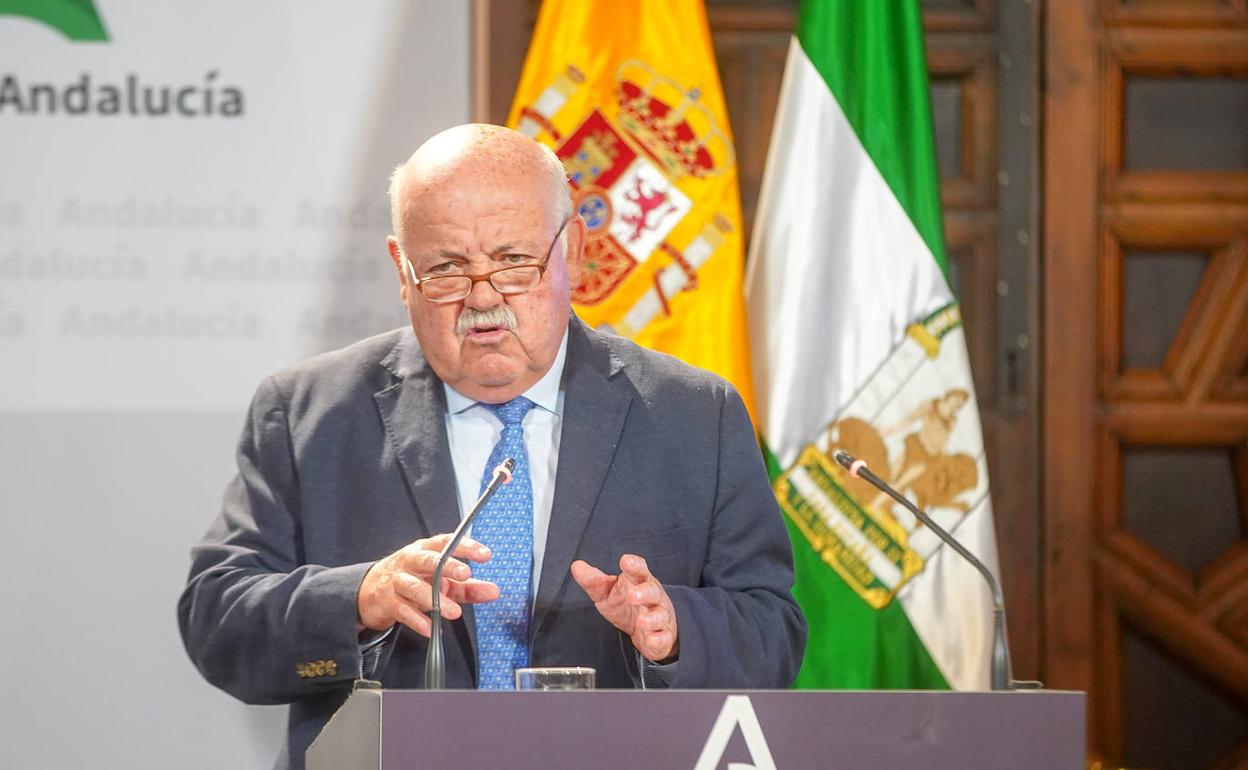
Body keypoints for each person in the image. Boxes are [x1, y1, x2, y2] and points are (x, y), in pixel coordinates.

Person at [178, 124, 805, 770]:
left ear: (576, 251)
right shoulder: (309, 414)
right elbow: (216, 621)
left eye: (512, 261)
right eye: (447, 268)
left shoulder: (694, 416)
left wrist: (673, 631)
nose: (482, 298)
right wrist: (361, 597)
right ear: (403, 269)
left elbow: (772, 633)